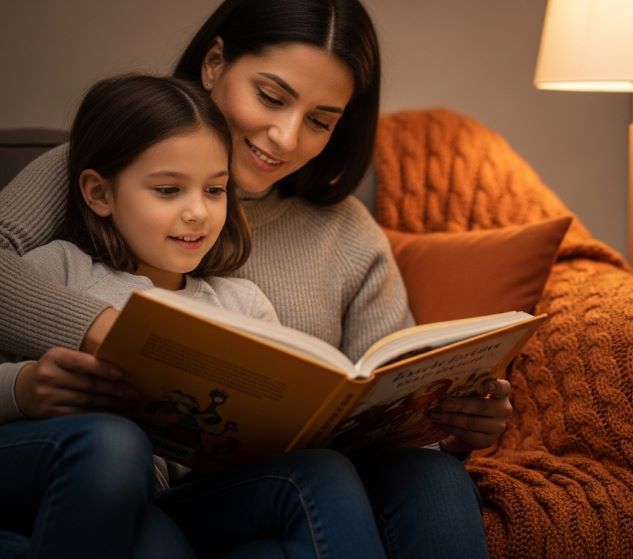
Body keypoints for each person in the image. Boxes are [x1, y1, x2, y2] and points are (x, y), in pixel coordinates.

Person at [0, 0, 509, 556]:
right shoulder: (109, 161)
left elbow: (385, 390)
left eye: (319, 120)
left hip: (263, 479)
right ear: (215, 63)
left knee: (429, 477)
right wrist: (96, 329)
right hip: (153, 476)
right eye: (271, 97)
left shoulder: (341, 236)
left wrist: (445, 424)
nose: (285, 138)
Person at [1, 72, 398, 558]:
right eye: (169, 191)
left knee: (323, 470)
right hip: (97, 485)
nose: (199, 213)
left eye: (214, 191)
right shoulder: (54, 272)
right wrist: (21, 386)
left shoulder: (243, 304)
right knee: (155, 539)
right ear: (99, 194)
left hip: (195, 496)